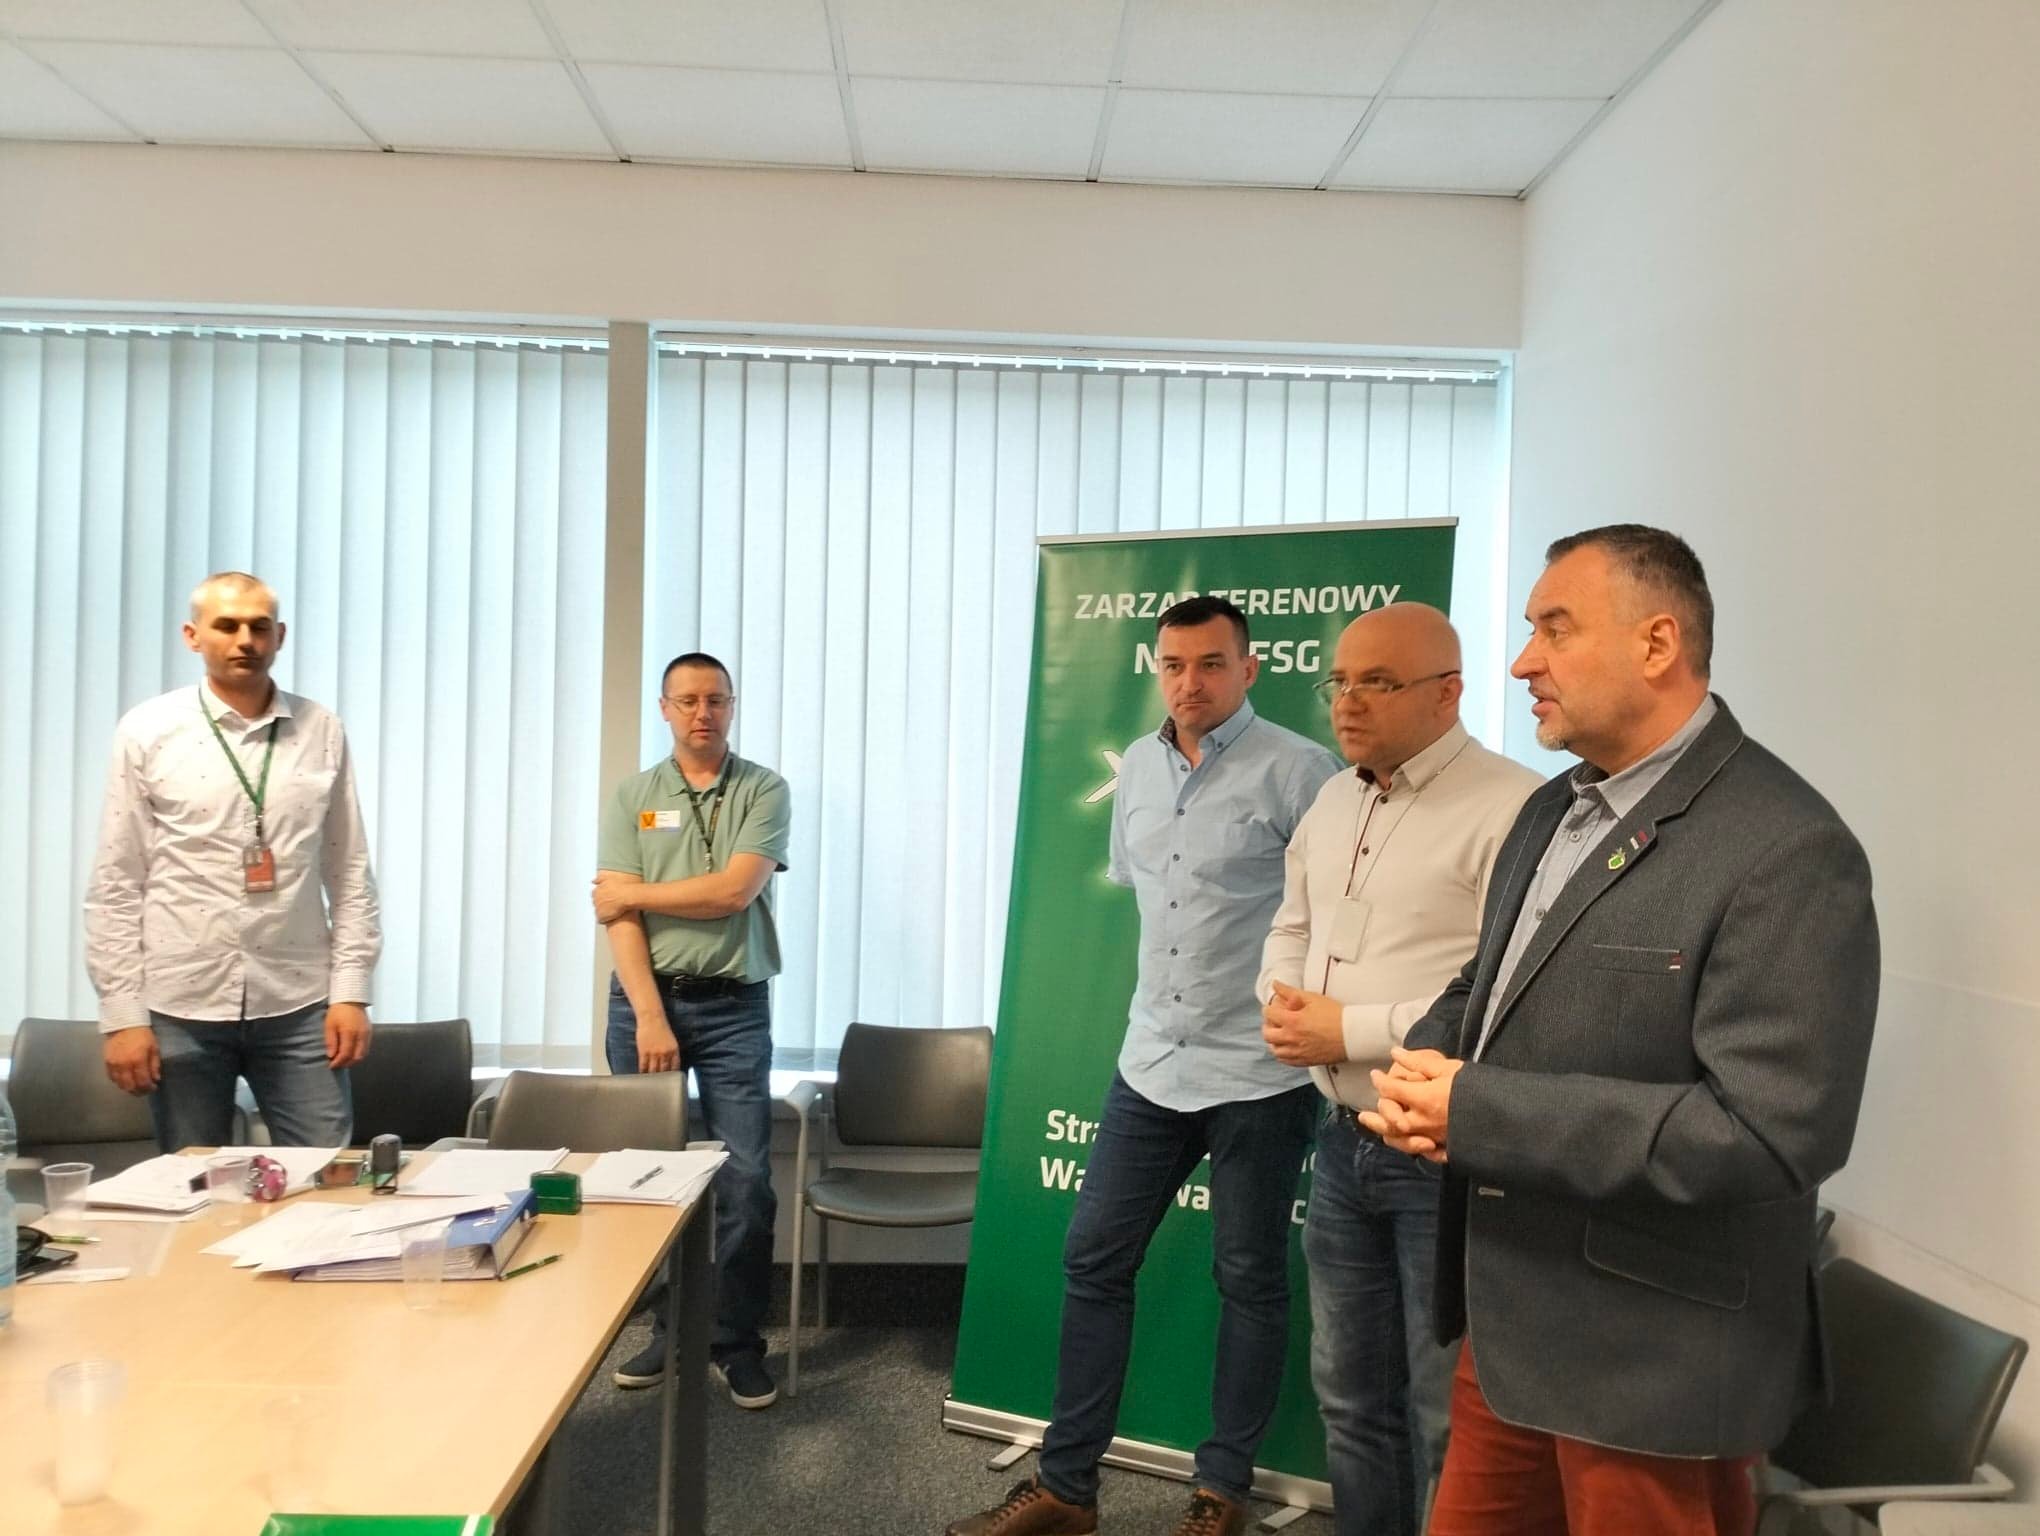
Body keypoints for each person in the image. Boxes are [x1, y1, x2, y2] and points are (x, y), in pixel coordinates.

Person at [1363, 526, 1879, 1536]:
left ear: (1657, 644)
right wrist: (1426, 1057)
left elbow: (1771, 1132)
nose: (1523, 662)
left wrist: (1478, 1113)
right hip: (1510, 1326)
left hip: (1654, 1362)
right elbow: (1492, 982)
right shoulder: (1551, 810)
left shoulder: (1788, 848)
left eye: (1555, 629)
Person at [949, 596, 1340, 1536]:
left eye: (1210, 664)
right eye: (1173, 665)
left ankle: (1222, 1490)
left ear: (1249, 669)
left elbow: (1333, 922)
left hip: (1259, 1075)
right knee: (1093, 1259)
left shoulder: (1302, 772)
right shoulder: (1138, 767)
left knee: (1248, 1278)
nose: (1188, 683)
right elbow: (1150, 896)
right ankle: (1066, 1490)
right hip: (1152, 1063)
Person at [1258, 604, 1538, 1536]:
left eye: (1377, 683)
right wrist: (1282, 1000)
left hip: (1440, 1157)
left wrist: (1350, 1030)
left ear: (1448, 693)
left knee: (1443, 1414)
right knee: (1349, 1401)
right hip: (1343, 1144)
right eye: (1339, 681)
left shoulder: (1515, 809)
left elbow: (1506, 996)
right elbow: (1292, 922)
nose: (1348, 702)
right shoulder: (1334, 801)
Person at [84, 571, 380, 1151]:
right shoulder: (148, 729)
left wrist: (350, 992)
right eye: (227, 626)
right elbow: (117, 881)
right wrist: (122, 1015)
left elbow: (349, 871)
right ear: (193, 636)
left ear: (279, 636)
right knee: (193, 1180)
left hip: (299, 1001)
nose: (245, 640)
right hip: (179, 1004)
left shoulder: (321, 729)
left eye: (259, 627)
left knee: (327, 1174)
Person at [593, 651, 790, 1409]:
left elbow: (734, 893)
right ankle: (670, 1329)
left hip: (735, 1008)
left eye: (716, 699)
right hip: (645, 1005)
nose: (702, 712)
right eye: (688, 700)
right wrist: (649, 1015)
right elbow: (617, 923)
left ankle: (736, 1341)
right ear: (665, 709)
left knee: (747, 1181)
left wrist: (636, 893)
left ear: (731, 707)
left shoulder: (763, 789)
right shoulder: (635, 796)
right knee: (649, 1179)